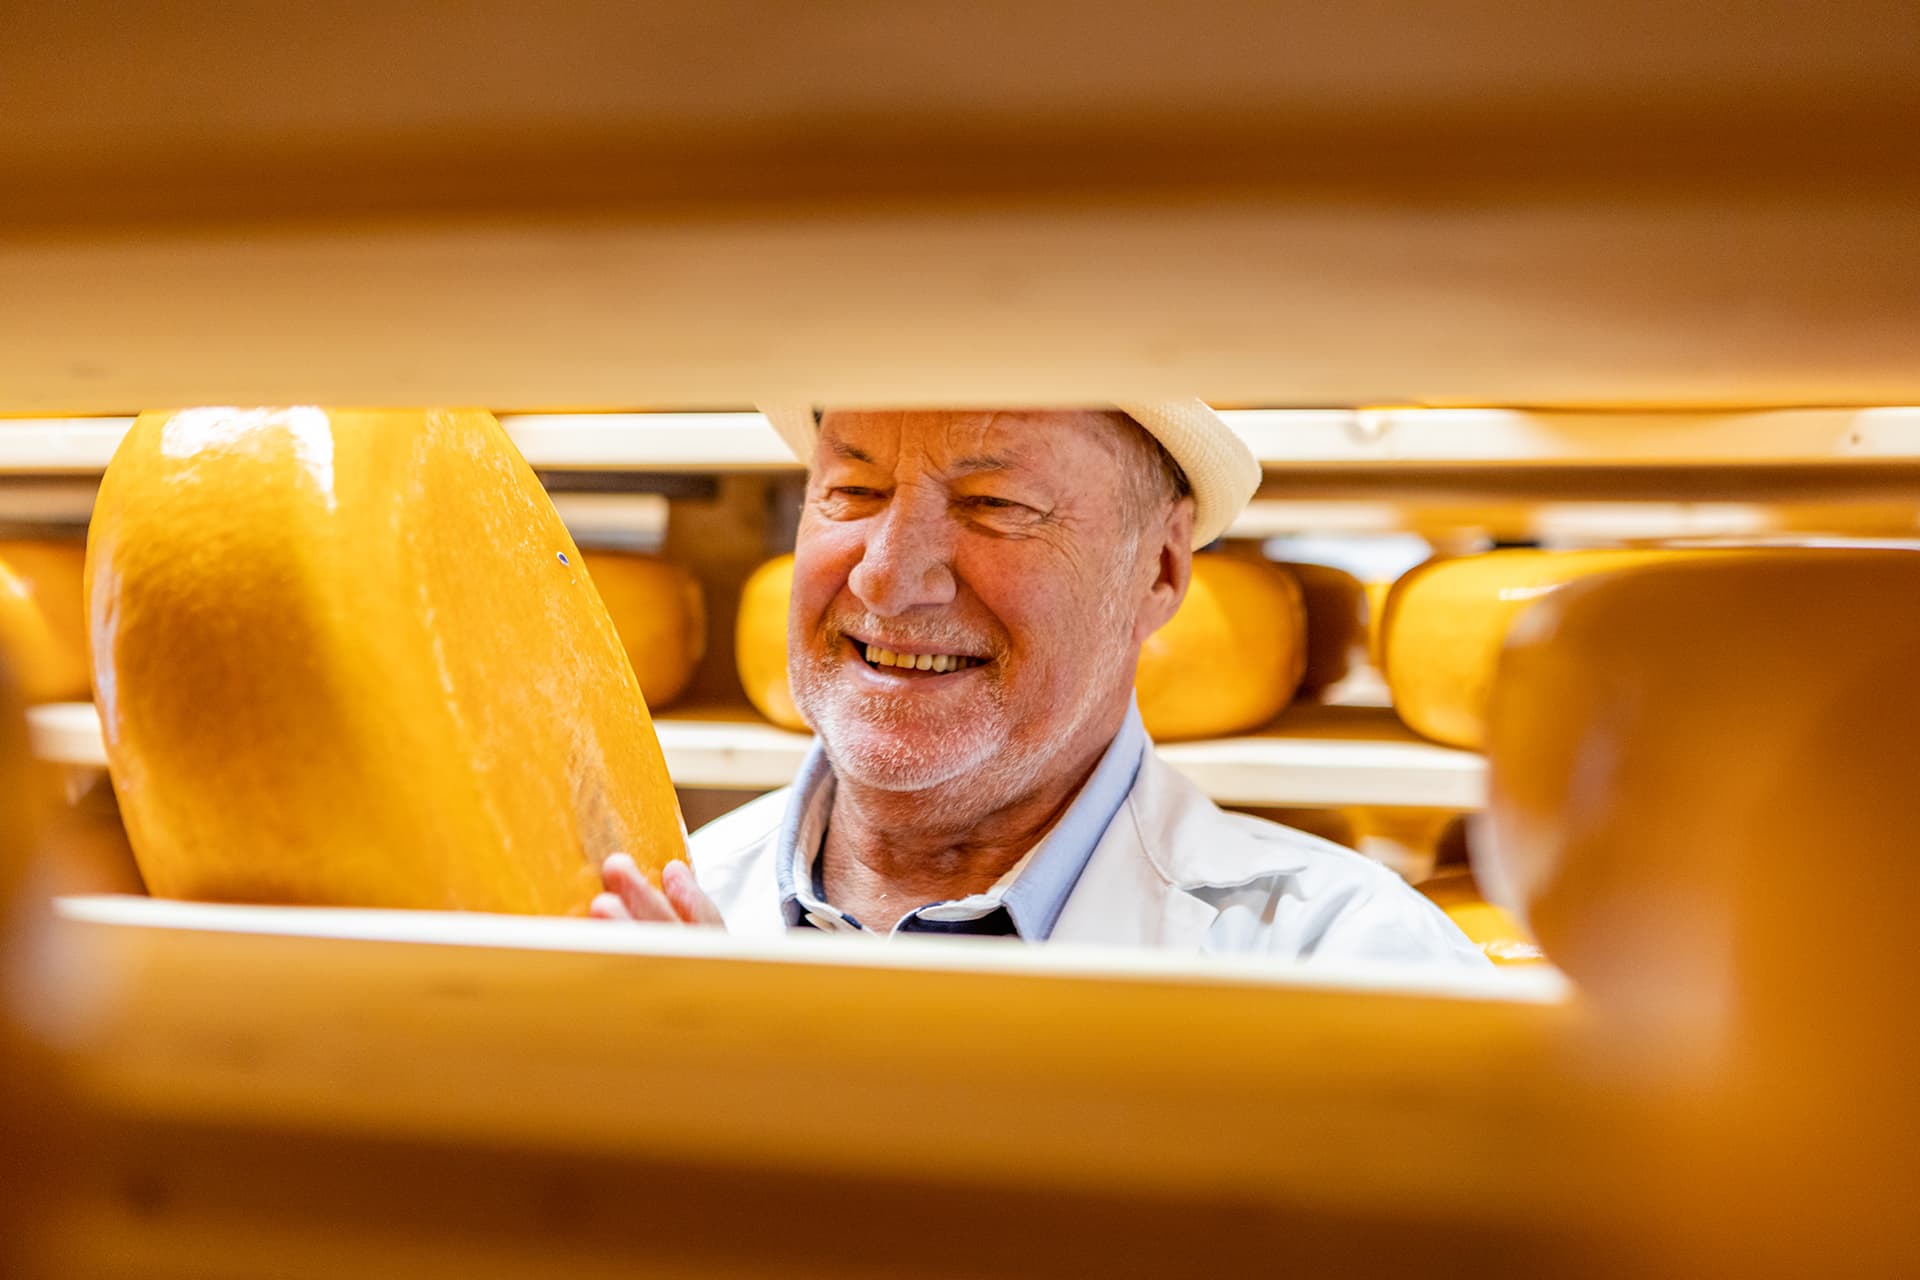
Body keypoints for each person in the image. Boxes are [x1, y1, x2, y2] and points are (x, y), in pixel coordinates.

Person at [593, 403, 1485, 966]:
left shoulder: (1353, 963)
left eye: (997, 506)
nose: (888, 577)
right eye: (855, 491)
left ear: (1162, 570)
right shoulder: (623, 918)